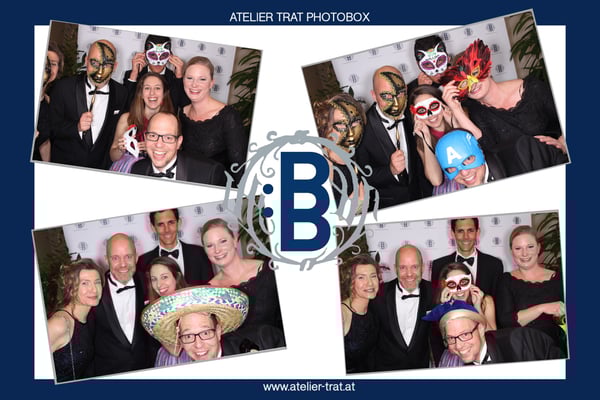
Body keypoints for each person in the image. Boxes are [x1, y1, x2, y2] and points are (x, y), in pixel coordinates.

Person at [441, 38, 569, 177]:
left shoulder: (533, 89)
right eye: (464, 83)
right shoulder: (475, 111)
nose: (472, 84)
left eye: (475, 73)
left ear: (488, 68)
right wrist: (456, 109)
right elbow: (484, 147)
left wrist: (562, 143)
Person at [141, 286, 285, 364]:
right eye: (188, 336)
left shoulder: (265, 339)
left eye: (205, 333)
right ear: (180, 340)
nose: (198, 345)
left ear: (218, 331)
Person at [356, 65, 431, 209]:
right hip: (389, 206)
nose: (396, 104)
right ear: (374, 95)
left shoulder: (412, 110)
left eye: (400, 93)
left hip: (421, 197)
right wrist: (390, 171)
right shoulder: (362, 130)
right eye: (387, 96)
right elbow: (362, 177)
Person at [49, 39, 128, 169]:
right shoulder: (63, 87)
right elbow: (51, 129)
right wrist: (77, 127)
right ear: (86, 61)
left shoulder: (121, 93)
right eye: (94, 63)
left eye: (107, 64)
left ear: (115, 66)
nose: (100, 71)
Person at [90, 233, 157, 376]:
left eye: (128, 256)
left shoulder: (149, 282)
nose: (123, 264)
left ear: (136, 257)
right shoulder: (94, 290)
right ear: (107, 260)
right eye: (115, 258)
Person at [202, 218, 284, 333]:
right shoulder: (209, 292)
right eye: (210, 245)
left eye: (223, 241)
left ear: (235, 240)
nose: (217, 250)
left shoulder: (269, 270)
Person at [423, 300, 564, 365]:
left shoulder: (522, 341)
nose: (459, 346)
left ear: (480, 328)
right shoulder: (454, 366)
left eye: (465, 334)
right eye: (451, 338)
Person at [496, 225, 567, 354]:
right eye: (518, 248)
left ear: (538, 248)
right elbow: (506, 321)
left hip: (556, 350)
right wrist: (542, 308)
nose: (524, 253)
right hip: (522, 352)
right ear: (512, 251)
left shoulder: (560, 278)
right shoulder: (505, 281)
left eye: (530, 247)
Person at [179, 56, 248, 186]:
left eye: (202, 79)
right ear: (183, 80)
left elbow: (240, 167)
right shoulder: (182, 113)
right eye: (189, 78)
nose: (194, 84)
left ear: (211, 83)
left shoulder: (228, 116)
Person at [370, 244, 433, 371]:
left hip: (420, 370)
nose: (409, 274)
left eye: (414, 267)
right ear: (395, 268)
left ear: (423, 267)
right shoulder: (378, 294)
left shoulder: (434, 292)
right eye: (403, 267)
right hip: (386, 371)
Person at [130, 111, 227, 185]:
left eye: (168, 138)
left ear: (179, 142)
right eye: (153, 136)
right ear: (145, 138)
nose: (159, 144)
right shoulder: (137, 169)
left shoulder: (208, 174)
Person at [47, 259, 104, 382]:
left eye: (97, 282)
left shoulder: (89, 318)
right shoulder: (60, 324)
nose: (94, 289)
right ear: (71, 288)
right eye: (85, 283)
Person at [434, 262, 497, 367]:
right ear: (445, 287)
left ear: (470, 282)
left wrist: (478, 307)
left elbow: (493, 340)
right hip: (457, 358)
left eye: (463, 282)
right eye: (452, 284)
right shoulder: (442, 307)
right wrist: (445, 310)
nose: (459, 289)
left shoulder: (485, 302)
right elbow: (448, 343)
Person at [109, 73, 175, 173]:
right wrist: (120, 149)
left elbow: (174, 156)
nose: (152, 93)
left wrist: (152, 150)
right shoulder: (127, 118)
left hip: (156, 171)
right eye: (147, 88)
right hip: (127, 170)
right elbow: (113, 157)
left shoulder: (171, 121)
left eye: (157, 88)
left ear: (164, 93)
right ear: (141, 94)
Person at [313, 92, 366, 209]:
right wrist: (348, 208)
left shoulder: (355, 149)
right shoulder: (322, 166)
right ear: (327, 126)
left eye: (355, 122)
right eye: (341, 125)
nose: (350, 132)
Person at [136, 208, 214, 287]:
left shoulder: (199, 253)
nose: (167, 230)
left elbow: (210, 289)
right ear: (153, 227)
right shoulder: (143, 262)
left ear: (179, 223)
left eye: (171, 222)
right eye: (161, 224)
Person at [409, 84, 464, 195]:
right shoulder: (421, 143)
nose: (430, 114)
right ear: (416, 115)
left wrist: (454, 123)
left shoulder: (462, 118)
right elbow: (436, 180)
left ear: (442, 103)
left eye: (433, 105)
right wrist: (426, 138)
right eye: (421, 110)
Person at [431, 217, 504, 298]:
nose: (466, 237)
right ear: (452, 233)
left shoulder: (494, 265)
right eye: (460, 231)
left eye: (470, 231)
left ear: (477, 232)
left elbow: (498, 301)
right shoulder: (438, 266)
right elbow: (436, 300)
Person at [144, 256, 191, 366]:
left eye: (164, 277)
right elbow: (175, 350)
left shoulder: (194, 300)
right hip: (170, 361)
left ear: (177, 277)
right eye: (154, 279)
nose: (159, 285)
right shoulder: (152, 312)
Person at [123, 34, 187, 110]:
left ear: (170, 55)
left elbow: (185, 106)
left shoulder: (175, 79)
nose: (158, 61)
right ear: (145, 54)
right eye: (153, 55)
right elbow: (125, 105)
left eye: (163, 55)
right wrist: (134, 75)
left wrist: (179, 77)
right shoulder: (132, 75)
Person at [339, 254, 380, 373]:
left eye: (373, 276)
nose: (370, 283)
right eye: (361, 277)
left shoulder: (373, 311)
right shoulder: (341, 314)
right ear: (350, 281)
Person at [435, 129, 507, 188]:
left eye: (468, 159)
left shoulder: (510, 168)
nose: (464, 173)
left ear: (480, 152)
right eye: (451, 168)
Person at [34, 41, 64, 162]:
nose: (49, 68)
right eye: (45, 62)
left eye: (53, 64)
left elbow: (45, 141)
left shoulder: (49, 101)